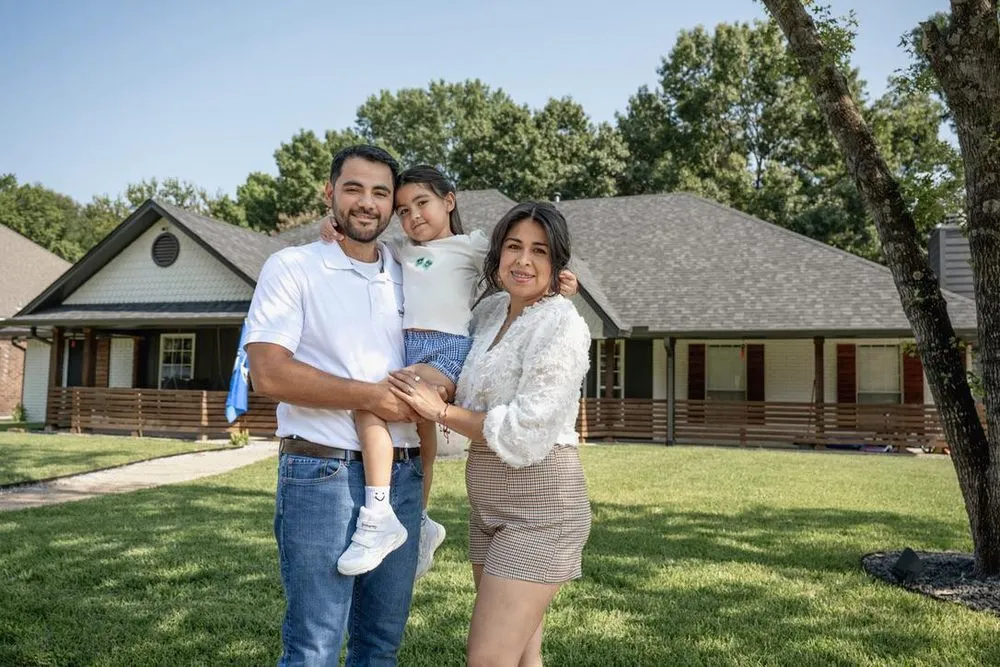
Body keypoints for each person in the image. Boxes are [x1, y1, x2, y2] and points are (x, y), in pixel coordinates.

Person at [320, 167, 579, 579]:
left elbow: (519, 260)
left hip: (446, 348)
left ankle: (382, 513)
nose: (413, 216)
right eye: (403, 210)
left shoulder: (471, 246)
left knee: (373, 402)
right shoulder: (400, 250)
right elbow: (360, 242)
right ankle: (417, 520)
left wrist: (564, 281)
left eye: (422, 203)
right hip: (409, 349)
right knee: (403, 425)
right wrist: (333, 227)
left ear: (449, 201)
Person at [387, 201, 592, 667]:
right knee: (522, 656)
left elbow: (524, 433)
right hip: (488, 507)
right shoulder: (490, 313)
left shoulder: (562, 324)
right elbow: (431, 270)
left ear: (557, 263)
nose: (523, 260)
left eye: (539, 251)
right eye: (514, 246)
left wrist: (439, 410)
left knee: (488, 659)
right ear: (497, 253)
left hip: (539, 507)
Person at [244, 144, 423, 666]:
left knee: (380, 648)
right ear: (330, 193)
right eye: (353, 188)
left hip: (404, 477)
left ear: (393, 204)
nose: (366, 203)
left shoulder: (413, 272)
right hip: (320, 474)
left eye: (380, 192)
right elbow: (269, 372)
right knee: (314, 647)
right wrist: (371, 397)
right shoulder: (293, 267)